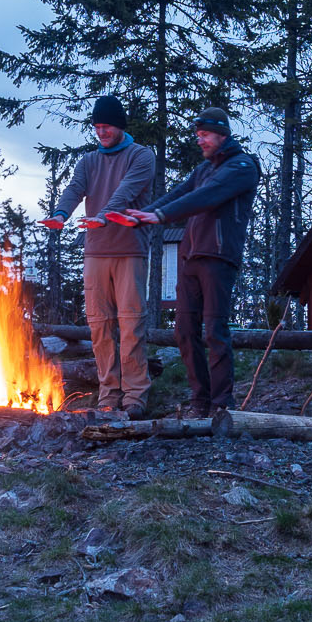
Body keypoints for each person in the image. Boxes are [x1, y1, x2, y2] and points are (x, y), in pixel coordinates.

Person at [123, 107, 260, 417]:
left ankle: (222, 404)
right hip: (191, 257)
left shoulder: (241, 166)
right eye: (197, 135)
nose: (200, 140)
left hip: (218, 256)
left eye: (205, 135)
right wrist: (146, 215)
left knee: (214, 331)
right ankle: (200, 400)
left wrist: (159, 216)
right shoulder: (202, 169)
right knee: (184, 330)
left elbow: (209, 196)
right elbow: (180, 193)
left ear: (222, 134)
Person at [40, 95, 155, 417]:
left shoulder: (141, 156)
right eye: (97, 127)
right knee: (100, 326)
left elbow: (127, 191)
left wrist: (103, 215)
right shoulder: (88, 161)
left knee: (131, 325)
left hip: (129, 251)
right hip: (95, 253)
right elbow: (75, 189)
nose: (101, 132)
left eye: (106, 126)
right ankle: (109, 393)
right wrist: (61, 214)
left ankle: (136, 396)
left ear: (119, 126)